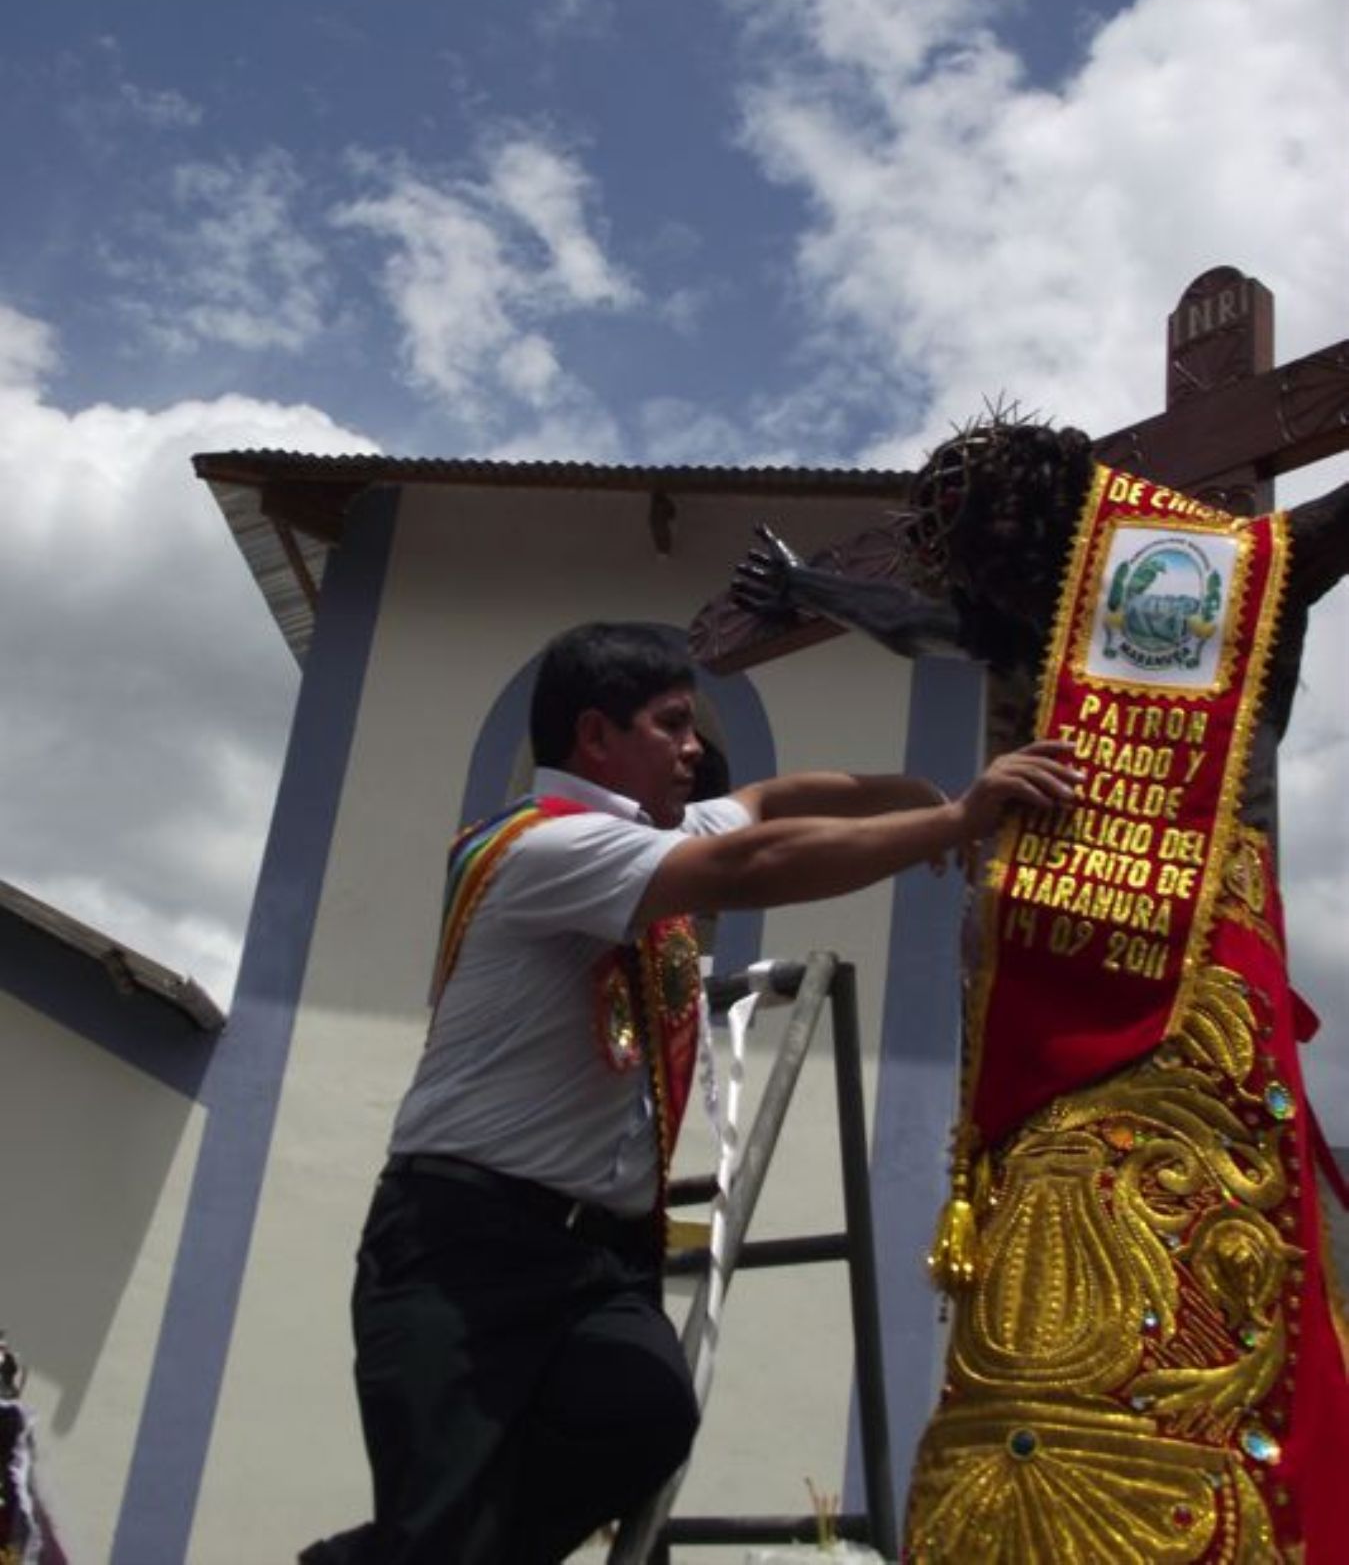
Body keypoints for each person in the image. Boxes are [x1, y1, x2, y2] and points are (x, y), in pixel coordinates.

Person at [301, 619, 1080, 1565]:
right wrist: (952, 823)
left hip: (598, 1257)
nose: (695, 749)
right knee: (441, 1522)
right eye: (672, 725)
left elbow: (770, 800)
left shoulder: (648, 832)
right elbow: (752, 864)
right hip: (467, 1244)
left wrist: (913, 793)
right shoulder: (548, 848)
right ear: (596, 737)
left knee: (644, 1415)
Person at [730, 418, 1349, 1562]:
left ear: (1075, 527)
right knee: (1034, 1254)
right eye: (981, 570)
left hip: (1197, 967)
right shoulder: (1013, 623)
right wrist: (805, 585)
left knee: (1206, 1230)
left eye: (1017, 558)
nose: (1005, 593)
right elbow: (911, 622)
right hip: (1030, 981)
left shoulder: (1240, 568)